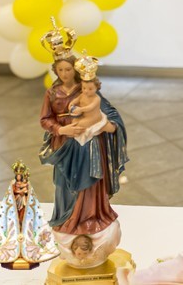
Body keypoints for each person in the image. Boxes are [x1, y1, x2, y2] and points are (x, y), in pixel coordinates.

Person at [40, 48, 129, 262]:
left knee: (90, 183)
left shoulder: (87, 89)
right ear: (55, 71)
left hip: (89, 145)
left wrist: (110, 126)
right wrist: (62, 129)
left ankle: (91, 217)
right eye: (60, 70)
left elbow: (110, 114)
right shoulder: (52, 93)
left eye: (68, 69)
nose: (64, 74)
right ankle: (67, 219)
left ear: (75, 70)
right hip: (65, 144)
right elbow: (45, 119)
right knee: (65, 184)